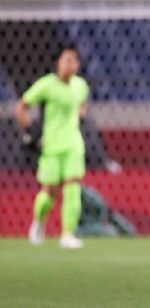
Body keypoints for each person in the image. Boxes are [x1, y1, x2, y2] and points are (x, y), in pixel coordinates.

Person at [16, 44, 90, 249]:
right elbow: (22, 106)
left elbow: (82, 104)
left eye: (74, 60)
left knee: (73, 187)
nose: (71, 64)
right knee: (49, 193)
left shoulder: (80, 86)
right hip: (50, 146)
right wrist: (30, 132)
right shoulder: (46, 85)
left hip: (73, 145)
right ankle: (39, 223)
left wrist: (80, 114)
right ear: (58, 63)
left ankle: (68, 234)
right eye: (67, 60)